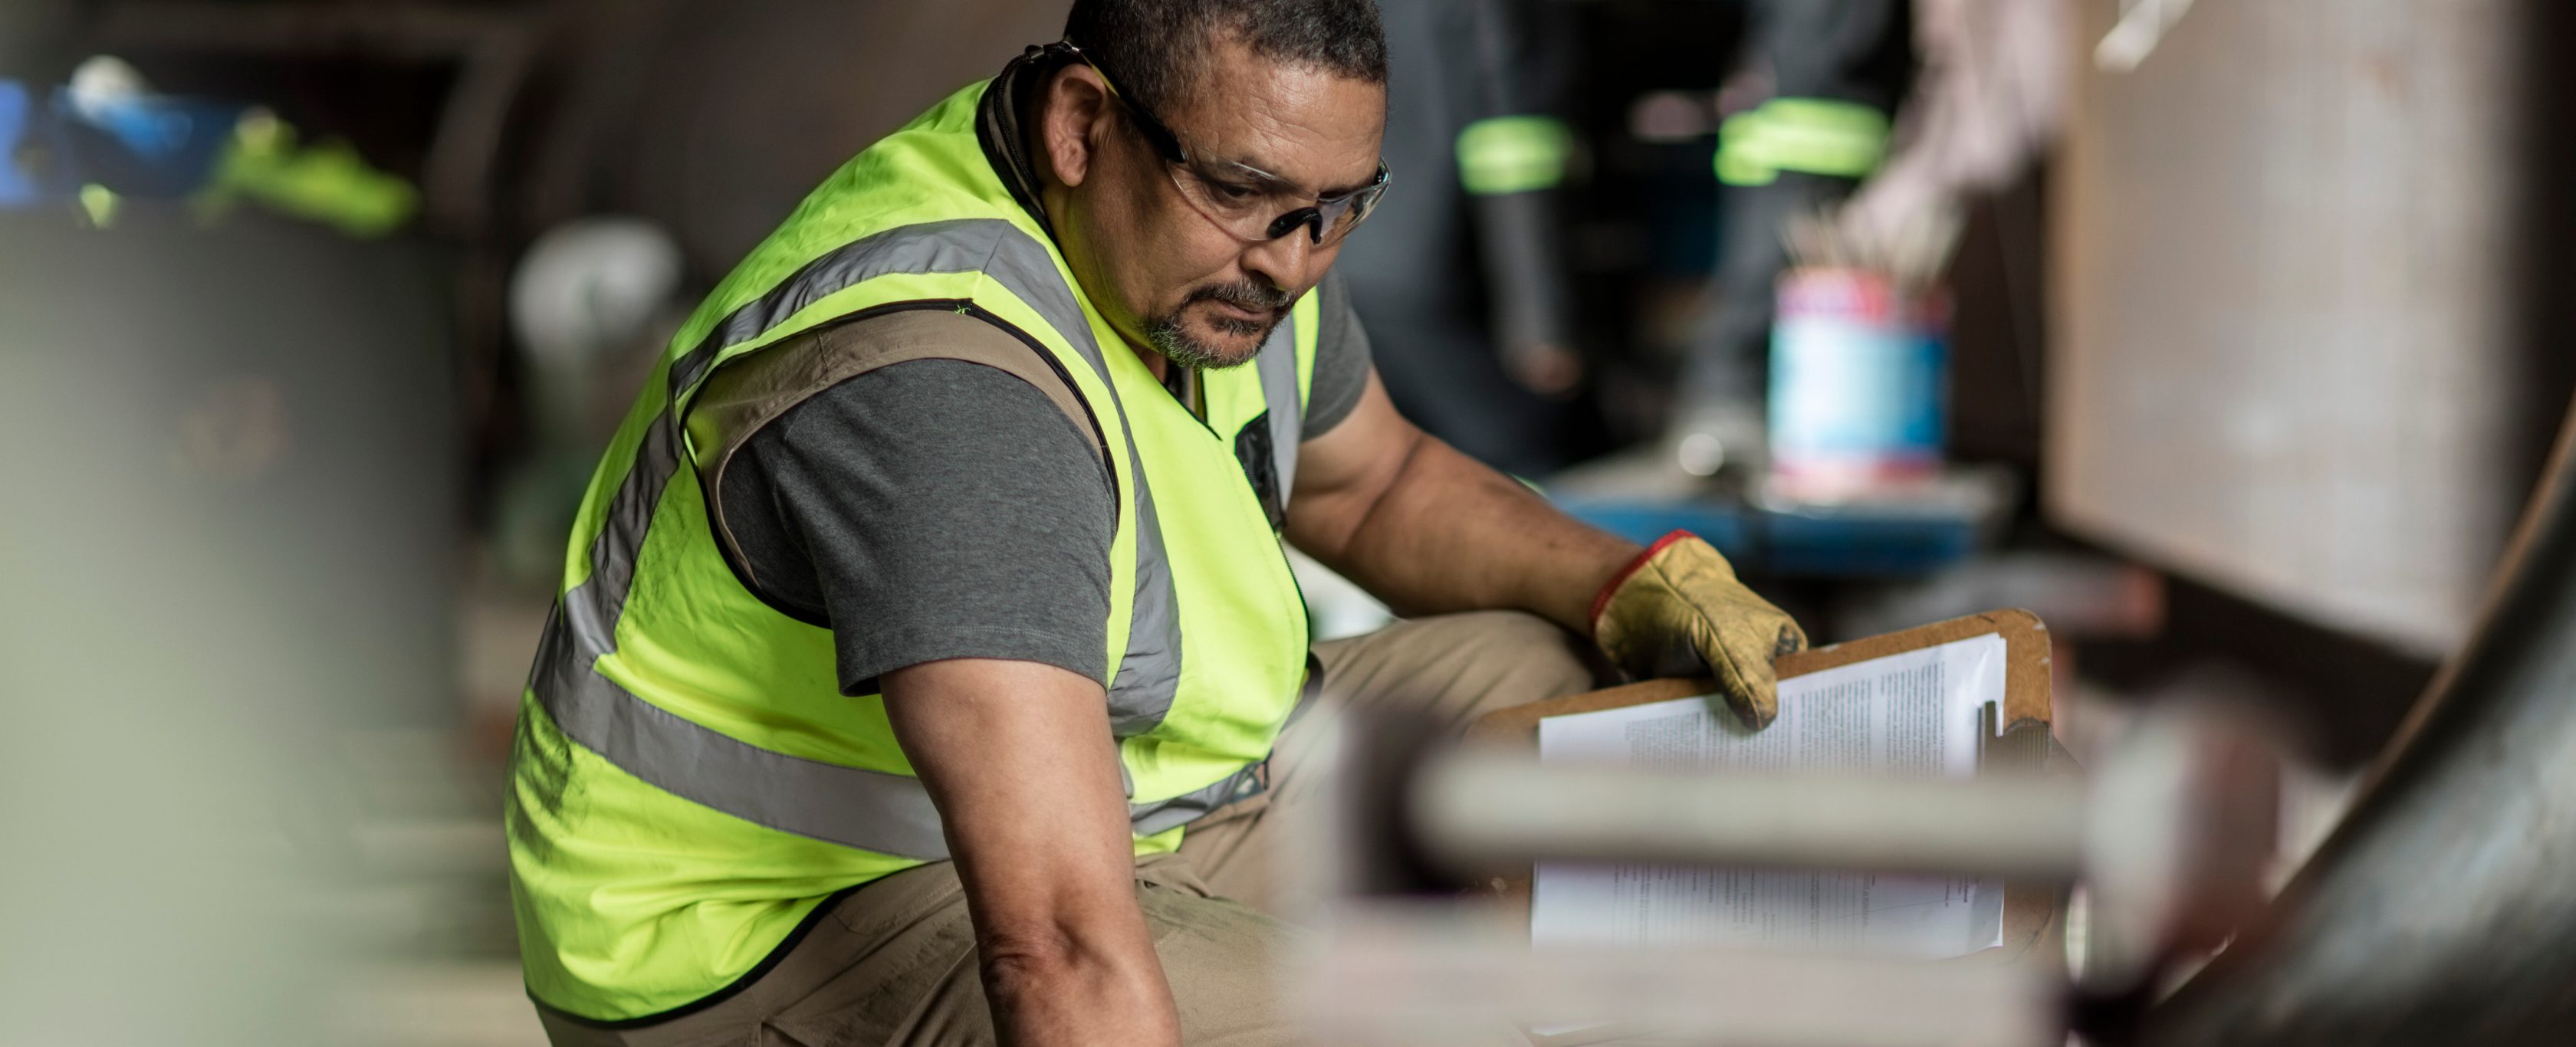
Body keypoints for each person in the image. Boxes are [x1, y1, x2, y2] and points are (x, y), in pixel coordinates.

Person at [506, 2, 1805, 1045]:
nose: (1294, 261)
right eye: (1249, 194)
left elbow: (1374, 483)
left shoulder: (1229, 240)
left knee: (1562, 678)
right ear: (1083, 126)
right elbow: (1057, 947)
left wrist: (1629, 580)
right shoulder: (952, 391)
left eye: (1338, 208)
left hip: (1130, 798)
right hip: (778, 928)